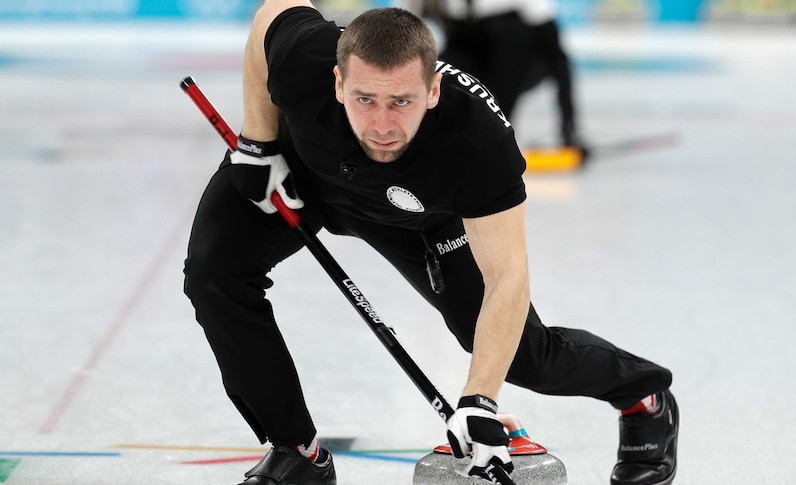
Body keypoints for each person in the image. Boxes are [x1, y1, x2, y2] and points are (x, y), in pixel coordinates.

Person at [182, 1, 677, 484]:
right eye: (364, 99)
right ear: (337, 82)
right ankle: (296, 452)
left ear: (434, 89)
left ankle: (642, 395)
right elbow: (272, 13)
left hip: (421, 219)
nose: (381, 125)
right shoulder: (306, 59)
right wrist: (258, 143)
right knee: (214, 274)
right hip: (299, 175)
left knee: (523, 355)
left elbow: (508, 276)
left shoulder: (478, 142)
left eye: (402, 101)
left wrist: (480, 399)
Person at [405, 0, 588, 152]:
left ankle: (501, 134)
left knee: (513, 37)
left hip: (522, 62)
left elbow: (557, 57)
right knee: (435, 68)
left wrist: (568, 129)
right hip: (473, 52)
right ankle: (422, 132)